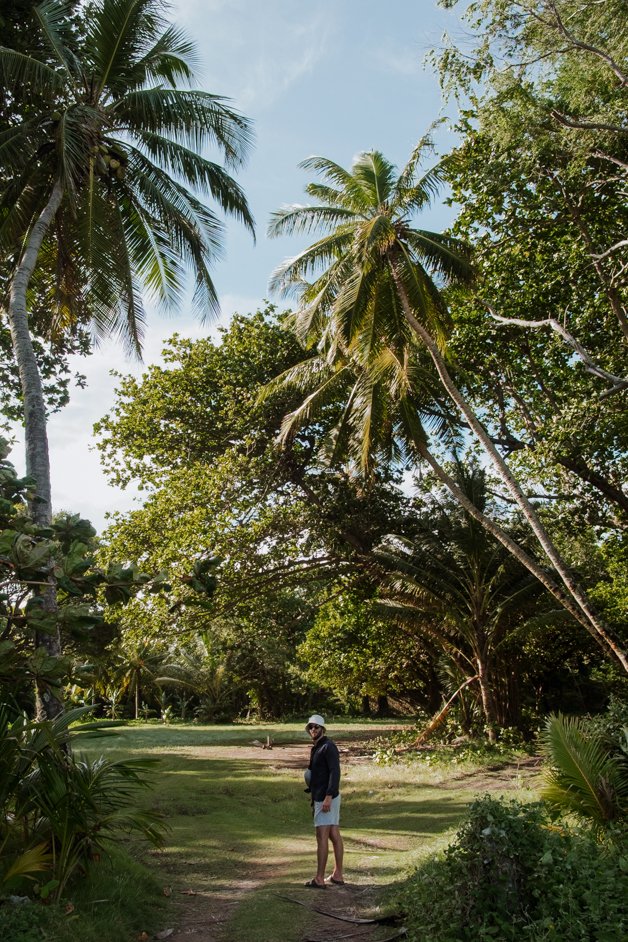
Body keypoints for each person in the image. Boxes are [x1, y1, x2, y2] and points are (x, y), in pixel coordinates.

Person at [303, 713, 344, 888]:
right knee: (334, 834)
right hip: (322, 795)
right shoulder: (317, 747)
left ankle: (319, 878)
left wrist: (328, 796)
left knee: (322, 836)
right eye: (310, 727)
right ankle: (337, 875)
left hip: (326, 798)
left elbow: (335, 772)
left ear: (323, 729)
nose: (313, 729)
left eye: (316, 727)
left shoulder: (328, 747)